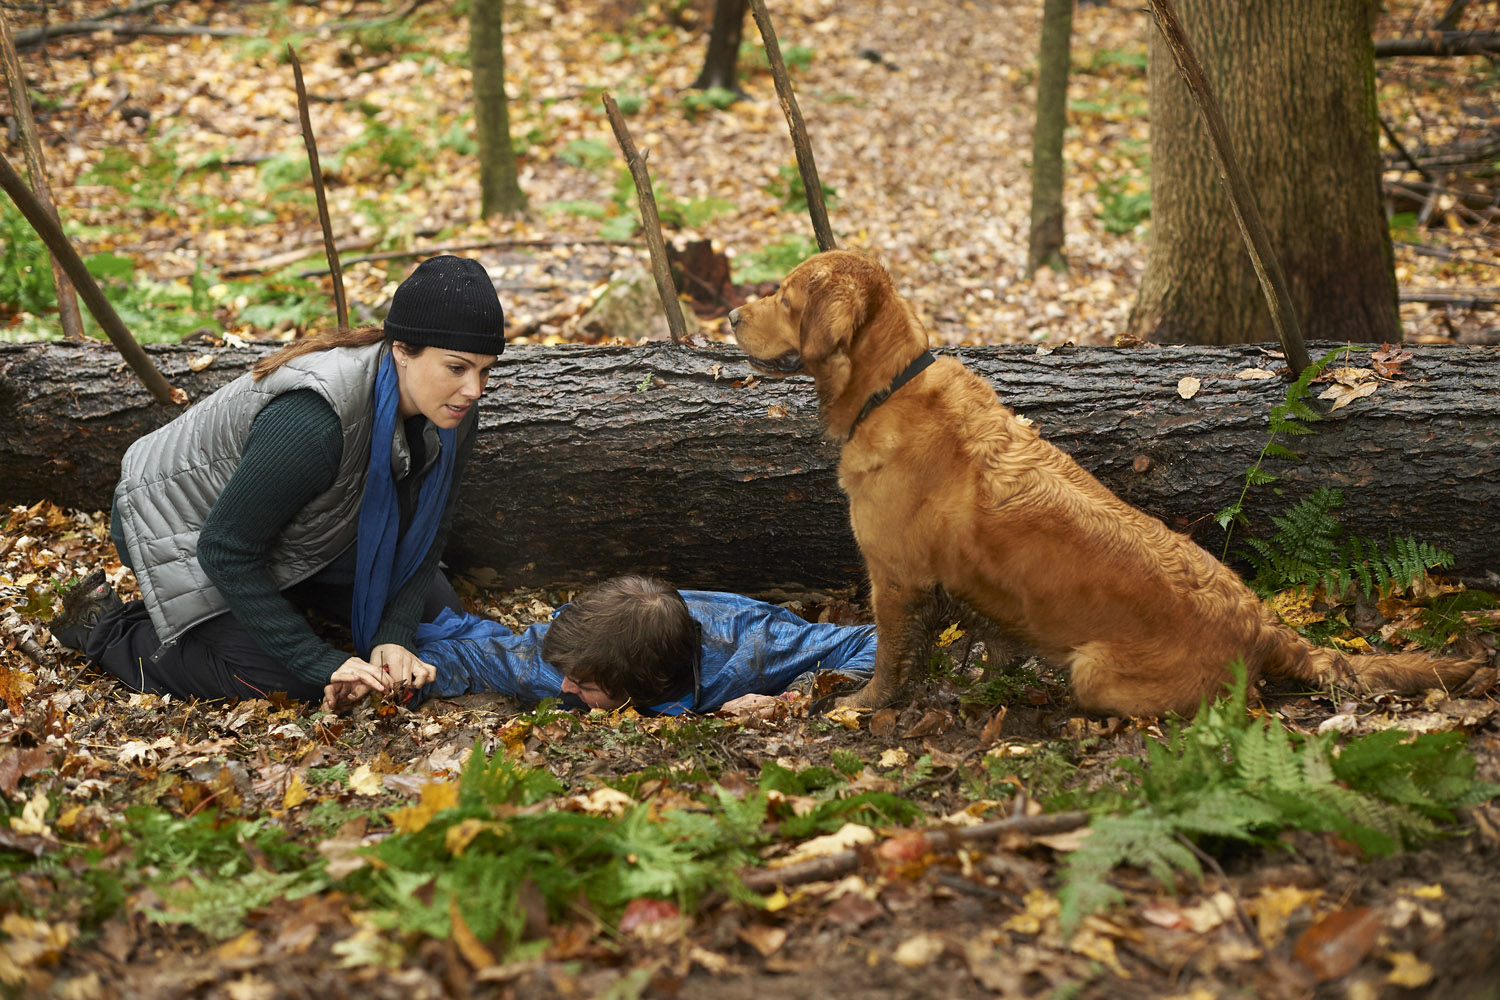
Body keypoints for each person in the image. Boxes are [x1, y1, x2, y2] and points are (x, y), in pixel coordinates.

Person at [49, 255, 506, 706]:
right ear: (402, 350)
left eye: (485, 370)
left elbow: (431, 531)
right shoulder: (316, 419)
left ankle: (289, 598)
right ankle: (107, 627)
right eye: (457, 367)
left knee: (436, 613)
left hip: (298, 530)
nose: (474, 389)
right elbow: (224, 549)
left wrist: (394, 636)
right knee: (296, 683)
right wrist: (318, 660)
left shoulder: (457, 412)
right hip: (180, 527)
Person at [347, 574, 877, 715]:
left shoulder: (756, 646)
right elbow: (463, 658)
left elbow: (873, 641)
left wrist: (793, 698)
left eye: (584, 685)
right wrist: (391, 679)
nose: (564, 686)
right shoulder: (563, 658)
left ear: (640, 687)